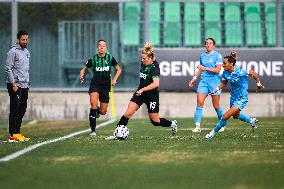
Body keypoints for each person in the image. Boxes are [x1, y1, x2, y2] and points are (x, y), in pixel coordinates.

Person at [106, 42, 177, 140]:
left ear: (150, 58)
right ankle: (117, 133)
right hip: (140, 93)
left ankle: (172, 124)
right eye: (141, 58)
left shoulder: (155, 68)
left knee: (155, 121)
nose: (142, 60)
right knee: (128, 113)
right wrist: (141, 90)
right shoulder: (144, 62)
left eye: (144, 58)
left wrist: (143, 89)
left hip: (151, 96)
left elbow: (156, 84)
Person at [205, 51, 264, 140]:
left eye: (224, 63)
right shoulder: (226, 73)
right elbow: (224, 83)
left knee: (225, 116)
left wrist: (258, 84)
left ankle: (211, 134)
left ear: (231, 64)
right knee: (236, 116)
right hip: (233, 98)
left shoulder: (240, 72)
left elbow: (254, 74)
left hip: (242, 98)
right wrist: (216, 89)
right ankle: (252, 121)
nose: (222, 65)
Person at [80, 39, 121, 136]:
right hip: (95, 84)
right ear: (97, 47)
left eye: (103, 46)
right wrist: (81, 76)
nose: (101, 47)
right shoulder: (93, 59)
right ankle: (93, 131)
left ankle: (96, 111)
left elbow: (119, 70)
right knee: (93, 105)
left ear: (106, 48)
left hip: (106, 86)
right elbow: (83, 69)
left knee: (103, 111)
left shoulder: (110, 58)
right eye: (100, 45)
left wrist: (114, 79)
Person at [188, 37, 224, 133]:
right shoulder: (202, 56)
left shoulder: (218, 56)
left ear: (213, 45)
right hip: (203, 82)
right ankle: (197, 127)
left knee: (216, 106)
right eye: (207, 43)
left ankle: (222, 124)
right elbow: (200, 69)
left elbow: (217, 70)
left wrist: (204, 68)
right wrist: (194, 79)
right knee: (199, 103)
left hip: (214, 82)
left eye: (210, 43)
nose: (208, 45)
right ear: (205, 45)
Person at [5, 30, 30, 142]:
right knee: (14, 110)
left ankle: (18, 133)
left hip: (25, 86)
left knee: (22, 109)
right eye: (23, 39)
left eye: (26, 39)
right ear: (18, 40)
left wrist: (27, 82)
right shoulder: (12, 51)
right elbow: (8, 68)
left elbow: (25, 70)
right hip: (15, 85)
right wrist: (13, 83)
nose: (25, 41)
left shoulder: (26, 52)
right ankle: (12, 135)